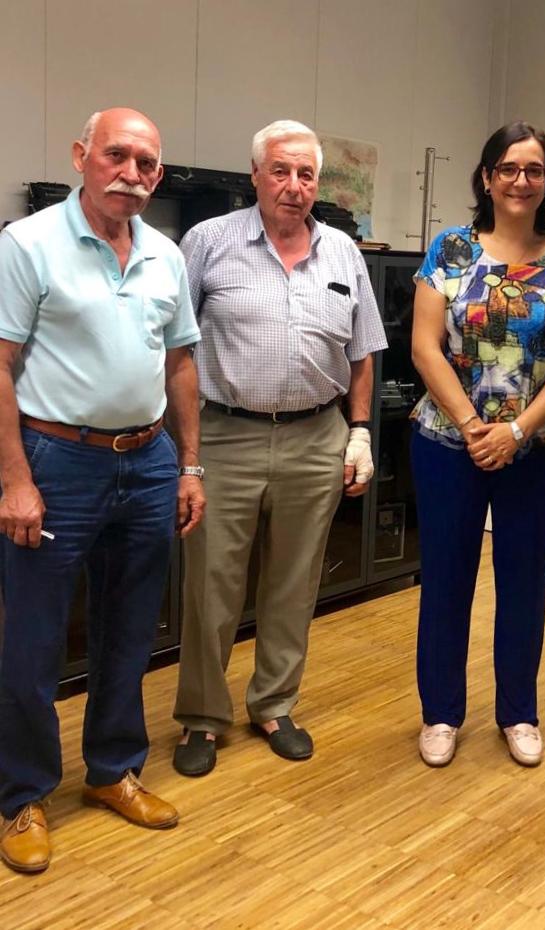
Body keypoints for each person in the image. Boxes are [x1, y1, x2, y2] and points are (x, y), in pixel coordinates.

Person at [0, 108, 204, 873]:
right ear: (81, 156)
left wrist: (189, 465)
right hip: (56, 461)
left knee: (131, 629)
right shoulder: (28, 244)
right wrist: (14, 480)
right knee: (34, 639)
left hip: (147, 461)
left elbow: (180, 364)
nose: (132, 173)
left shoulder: (165, 254)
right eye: (117, 155)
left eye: (147, 163)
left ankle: (113, 770)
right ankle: (22, 795)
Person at [171, 120, 386, 776]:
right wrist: (186, 453)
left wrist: (359, 431)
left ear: (317, 184)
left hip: (316, 437)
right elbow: (176, 349)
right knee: (212, 586)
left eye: (306, 174)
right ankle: (202, 717)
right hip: (225, 434)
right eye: (281, 171)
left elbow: (363, 353)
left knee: (295, 582)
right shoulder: (208, 242)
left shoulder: (343, 252)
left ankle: (274, 703)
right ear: (256, 176)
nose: (294, 186)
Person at [410, 121, 545, 768]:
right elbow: (424, 346)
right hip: (448, 444)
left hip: (539, 448)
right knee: (446, 580)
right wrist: (474, 427)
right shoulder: (451, 249)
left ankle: (519, 712)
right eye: (509, 168)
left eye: (534, 170)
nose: (521, 180)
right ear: (487, 177)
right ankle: (441, 713)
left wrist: (517, 431)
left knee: (525, 582)